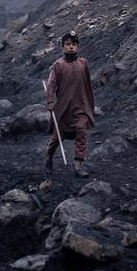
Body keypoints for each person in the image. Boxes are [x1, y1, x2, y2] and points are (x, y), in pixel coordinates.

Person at [44, 30, 96, 182]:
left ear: (78, 47)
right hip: (63, 109)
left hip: (81, 106)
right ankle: (48, 157)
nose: (71, 47)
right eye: (68, 44)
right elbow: (51, 85)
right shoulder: (57, 66)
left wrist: (89, 104)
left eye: (74, 44)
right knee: (56, 138)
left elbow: (87, 84)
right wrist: (50, 101)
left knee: (81, 131)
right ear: (62, 47)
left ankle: (78, 165)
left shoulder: (83, 63)